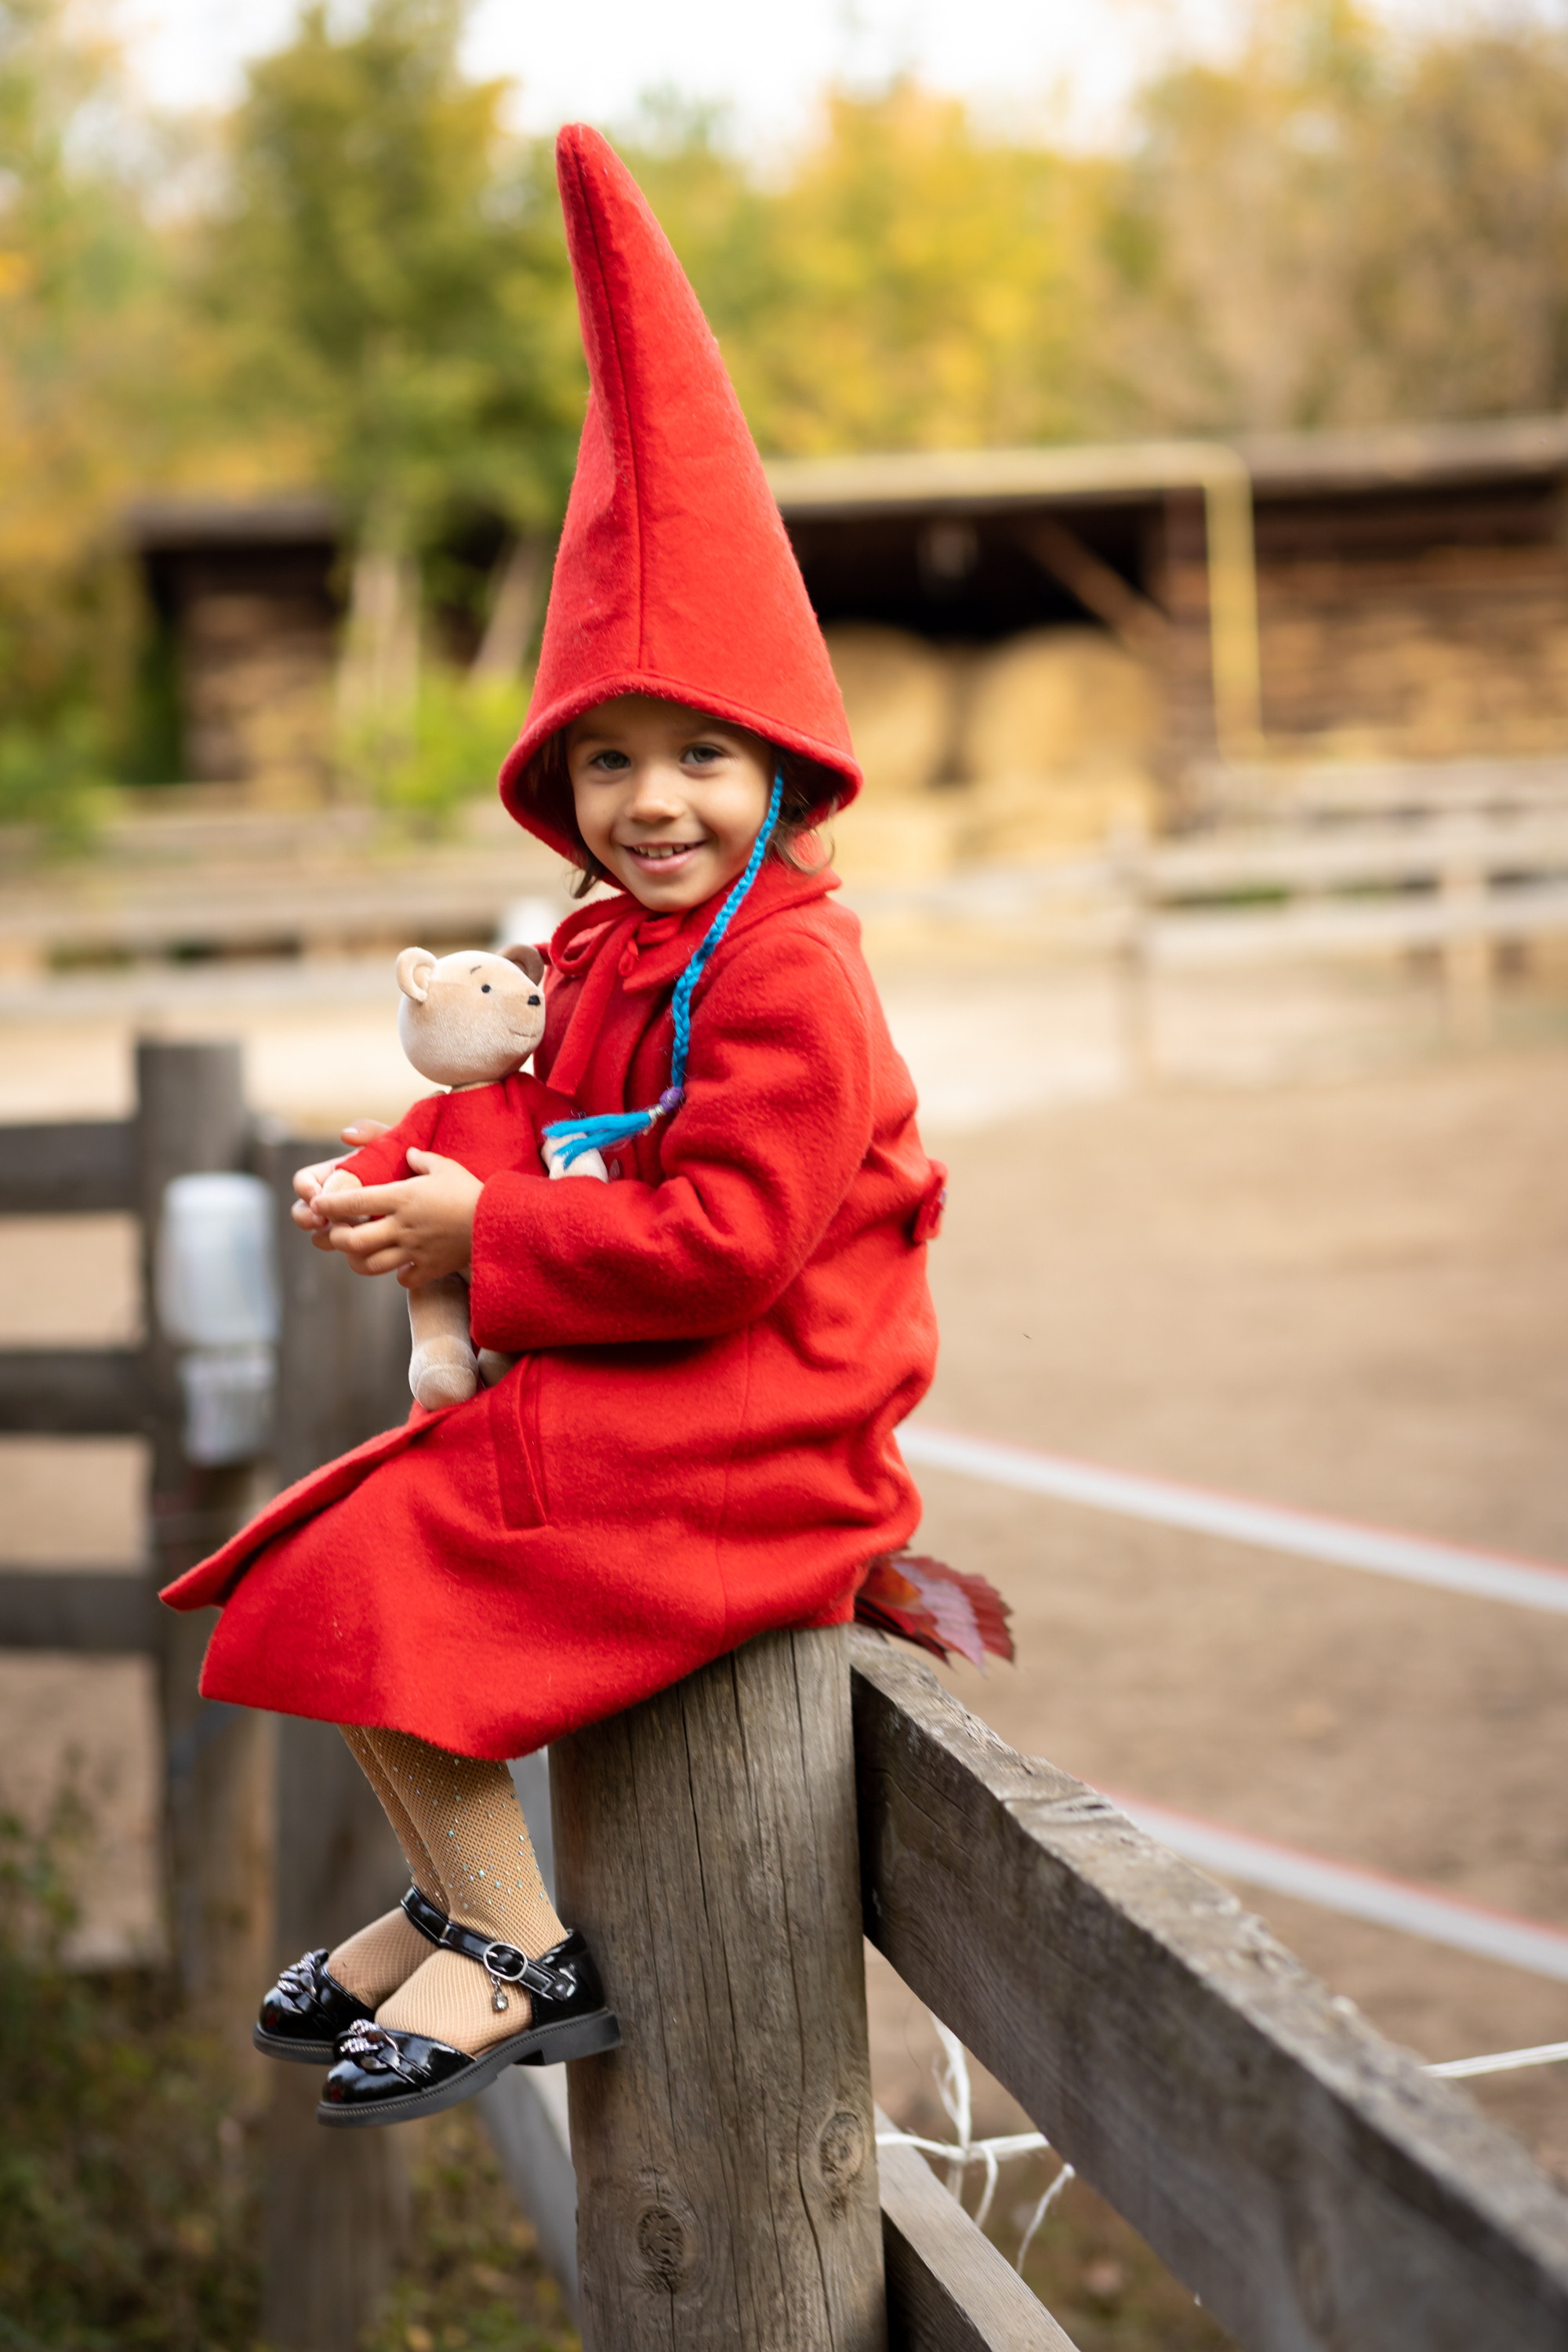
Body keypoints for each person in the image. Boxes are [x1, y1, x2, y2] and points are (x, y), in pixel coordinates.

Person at [159, 122, 943, 2129]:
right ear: (559, 784)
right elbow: (530, 1119)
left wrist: (480, 1248)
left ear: (787, 776)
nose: (652, 799)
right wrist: (406, 1176)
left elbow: (729, 1242)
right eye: (608, 759)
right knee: (317, 1559)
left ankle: (510, 1943)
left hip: (761, 1421)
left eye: (702, 756)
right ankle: (461, 1897)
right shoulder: (599, 948)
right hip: (661, 1387)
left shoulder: (787, 973)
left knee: (364, 1572)